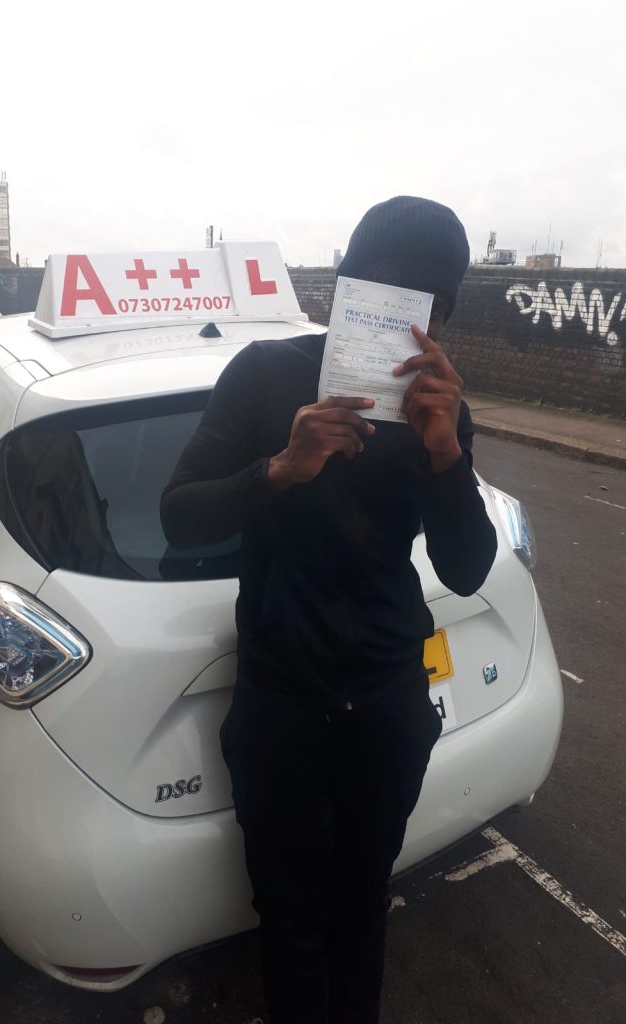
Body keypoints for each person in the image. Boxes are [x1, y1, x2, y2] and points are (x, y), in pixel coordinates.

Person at [160, 196, 497, 1024]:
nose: (404, 320)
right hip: (282, 709)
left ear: (442, 318)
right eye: (381, 293)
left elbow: (466, 569)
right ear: (347, 289)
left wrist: (446, 451)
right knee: (291, 925)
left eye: (428, 307)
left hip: (387, 706)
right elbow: (179, 517)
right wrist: (281, 467)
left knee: (363, 907)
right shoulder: (266, 374)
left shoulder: (441, 412)